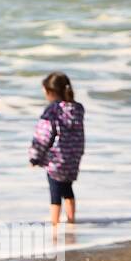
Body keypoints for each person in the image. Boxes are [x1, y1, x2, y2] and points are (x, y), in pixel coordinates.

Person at [28, 71, 85, 225]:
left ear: (51, 92)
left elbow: (43, 135)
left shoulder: (52, 110)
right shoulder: (78, 109)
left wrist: (35, 156)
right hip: (73, 158)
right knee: (67, 189)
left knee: (55, 191)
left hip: (56, 159)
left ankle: (55, 223)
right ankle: (72, 220)